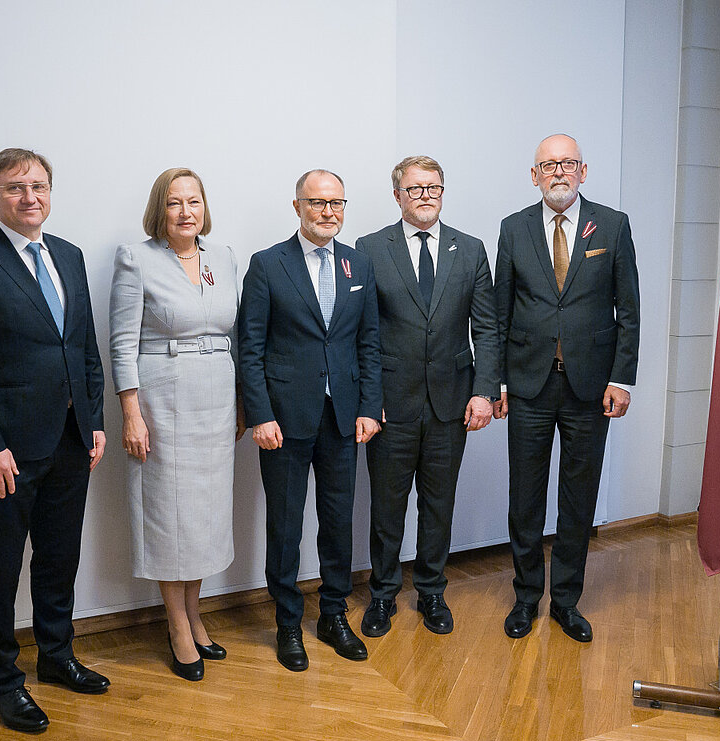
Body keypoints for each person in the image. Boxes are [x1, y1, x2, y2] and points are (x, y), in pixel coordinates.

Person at [0, 148, 110, 734]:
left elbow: (84, 347)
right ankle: (4, 683)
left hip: (70, 440)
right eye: (15, 187)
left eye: (38, 185)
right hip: (4, 452)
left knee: (60, 560)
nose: (29, 196)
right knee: (1, 568)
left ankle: (56, 657)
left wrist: (94, 421)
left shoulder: (69, 255)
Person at [494, 134, 640, 643]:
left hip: (590, 389)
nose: (558, 172)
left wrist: (622, 378)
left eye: (568, 163)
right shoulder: (512, 229)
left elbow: (629, 311)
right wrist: (498, 382)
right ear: (534, 175)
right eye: (548, 165)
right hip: (529, 386)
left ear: (583, 170)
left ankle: (566, 601)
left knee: (578, 499)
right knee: (525, 499)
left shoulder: (614, 226)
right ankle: (526, 598)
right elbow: (499, 313)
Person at [237, 169, 382, 672]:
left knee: (338, 521)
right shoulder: (267, 265)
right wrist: (259, 414)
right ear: (297, 206)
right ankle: (286, 622)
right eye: (317, 202)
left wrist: (368, 406)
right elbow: (250, 348)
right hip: (284, 419)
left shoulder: (357, 263)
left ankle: (334, 614)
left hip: (343, 417)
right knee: (285, 525)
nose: (328, 212)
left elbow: (368, 343)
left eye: (337, 203)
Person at [355, 156, 499, 638]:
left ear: (443, 192)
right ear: (397, 195)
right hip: (390, 405)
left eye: (433, 188)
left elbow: (488, 328)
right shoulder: (370, 249)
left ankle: (432, 592)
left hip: (452, 403)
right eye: (415, 189)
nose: (425, 197)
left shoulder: (471, 249)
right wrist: (367, 399)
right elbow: (363, 333)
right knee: (387, 506)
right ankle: (382, 595)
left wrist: (484, 392)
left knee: (439, 504)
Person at [109, 168, 242, 682]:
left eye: (194, 201)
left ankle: (195, 614)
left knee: (205, 515)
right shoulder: (136, 258)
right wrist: (131, 413)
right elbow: (122, 342)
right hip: (162, 400)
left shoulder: (223, 258)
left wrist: (242, 403)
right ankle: (177, 626)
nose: (186, 212)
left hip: (216, 398)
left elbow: (236, 331)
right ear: (158, 210)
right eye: (174, 203)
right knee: (170, 513)